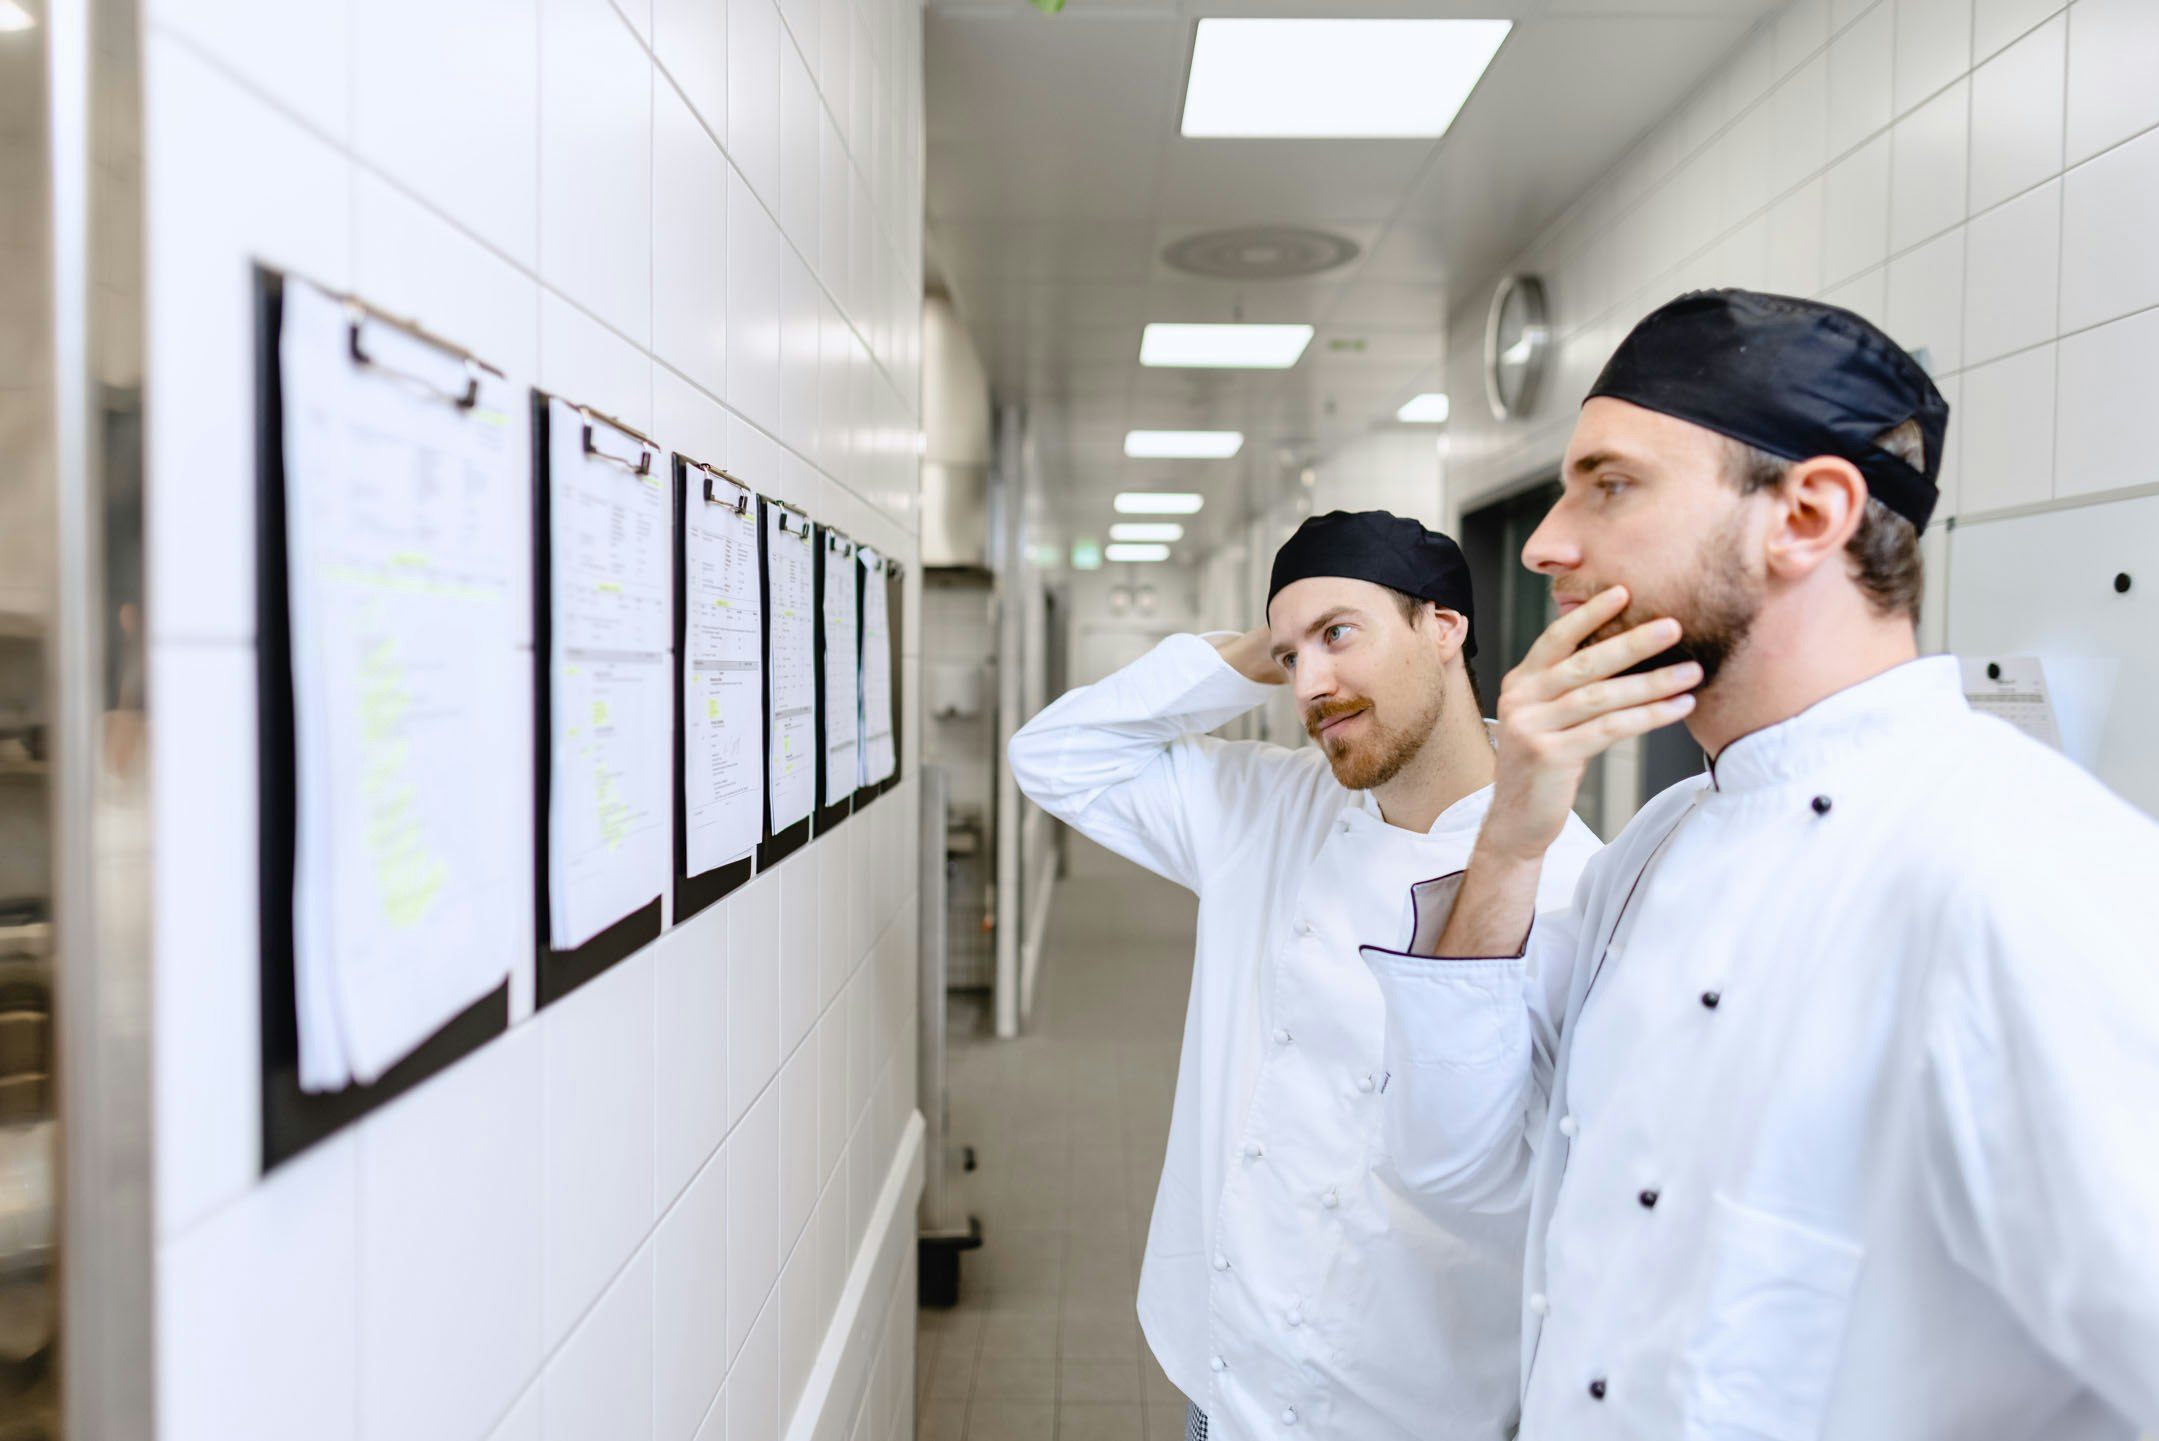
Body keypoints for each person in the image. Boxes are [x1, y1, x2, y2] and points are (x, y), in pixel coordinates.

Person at [1362, 289, 2159, 1439]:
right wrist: (1510, 836)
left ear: (1805, 514)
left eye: (1609, 484)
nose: (1544, 543)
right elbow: (1453, 1168)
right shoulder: (1657, 843)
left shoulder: (2021, 870)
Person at [1009, 511, 1602, 1440]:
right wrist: (1267, 640)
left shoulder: (1567, 878)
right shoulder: (1272, 803)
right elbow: (1055, 755)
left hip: (1410, 1396)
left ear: (1442, 627)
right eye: (1290, 661)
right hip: (1223, 1358)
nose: (1311, 686)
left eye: (1339, 633)